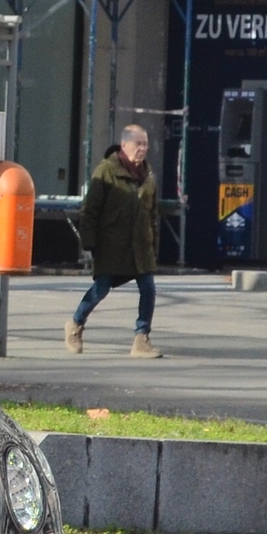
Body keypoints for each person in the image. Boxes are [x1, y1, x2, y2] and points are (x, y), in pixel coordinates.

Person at [69, 122, 163, 358]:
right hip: (112, 245)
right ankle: (75, 325)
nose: (142, 149)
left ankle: (142, 338)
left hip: (140, 247)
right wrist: (88, 243)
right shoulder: (106, 171)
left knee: (148, 288)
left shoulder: (148, 176)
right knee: (101, 288)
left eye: (146, 145)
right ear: (124, 144)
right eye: (138, 144)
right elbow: (90, 210)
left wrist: (153, 245)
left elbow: (152, 215)